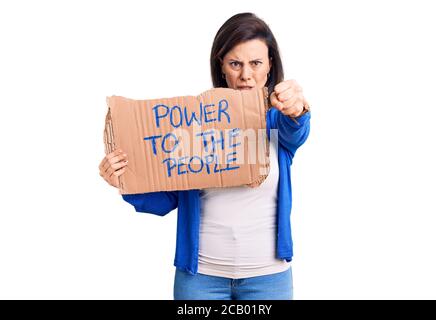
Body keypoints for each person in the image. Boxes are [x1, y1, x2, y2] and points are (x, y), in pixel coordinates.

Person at [99, 12, 311, 300]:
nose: (246, 75)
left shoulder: (279, 121)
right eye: (235, 63)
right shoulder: (195, 122)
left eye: (255, 63)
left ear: (269, 65)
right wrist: (126, 179)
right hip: (200, 280)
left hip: (268, 277)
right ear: (221, 66)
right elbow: (167, 198)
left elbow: (296, 130)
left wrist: (297, 108)